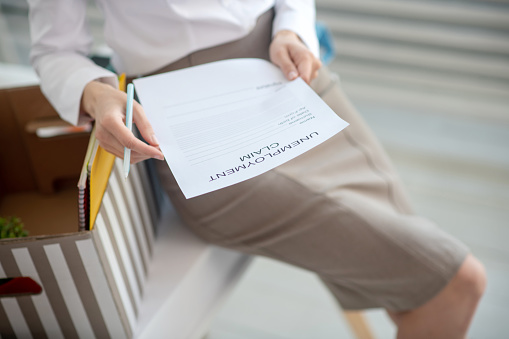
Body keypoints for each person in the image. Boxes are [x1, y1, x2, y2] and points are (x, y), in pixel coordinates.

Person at [27, 1, 486, 338]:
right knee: (455, 281)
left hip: (282, 70)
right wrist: (95, 93)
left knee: (418, 289)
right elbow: (53, 50)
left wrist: (293, 29)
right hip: (190, 116)